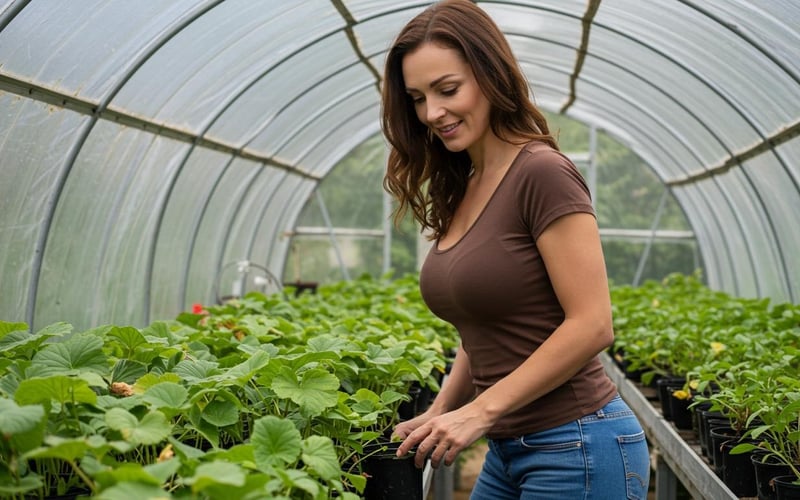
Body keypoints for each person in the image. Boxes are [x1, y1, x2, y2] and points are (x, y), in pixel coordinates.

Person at [380, 1, 650, 498]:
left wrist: (478, 412)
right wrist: (442, 410)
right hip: (508, 451)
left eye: (448, 89)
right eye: (417, 98)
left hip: (578, 446)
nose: (432, 113)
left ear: (490, 74)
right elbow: (482, 329)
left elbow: (593, 324)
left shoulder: (542, 173)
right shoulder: (466, 183)